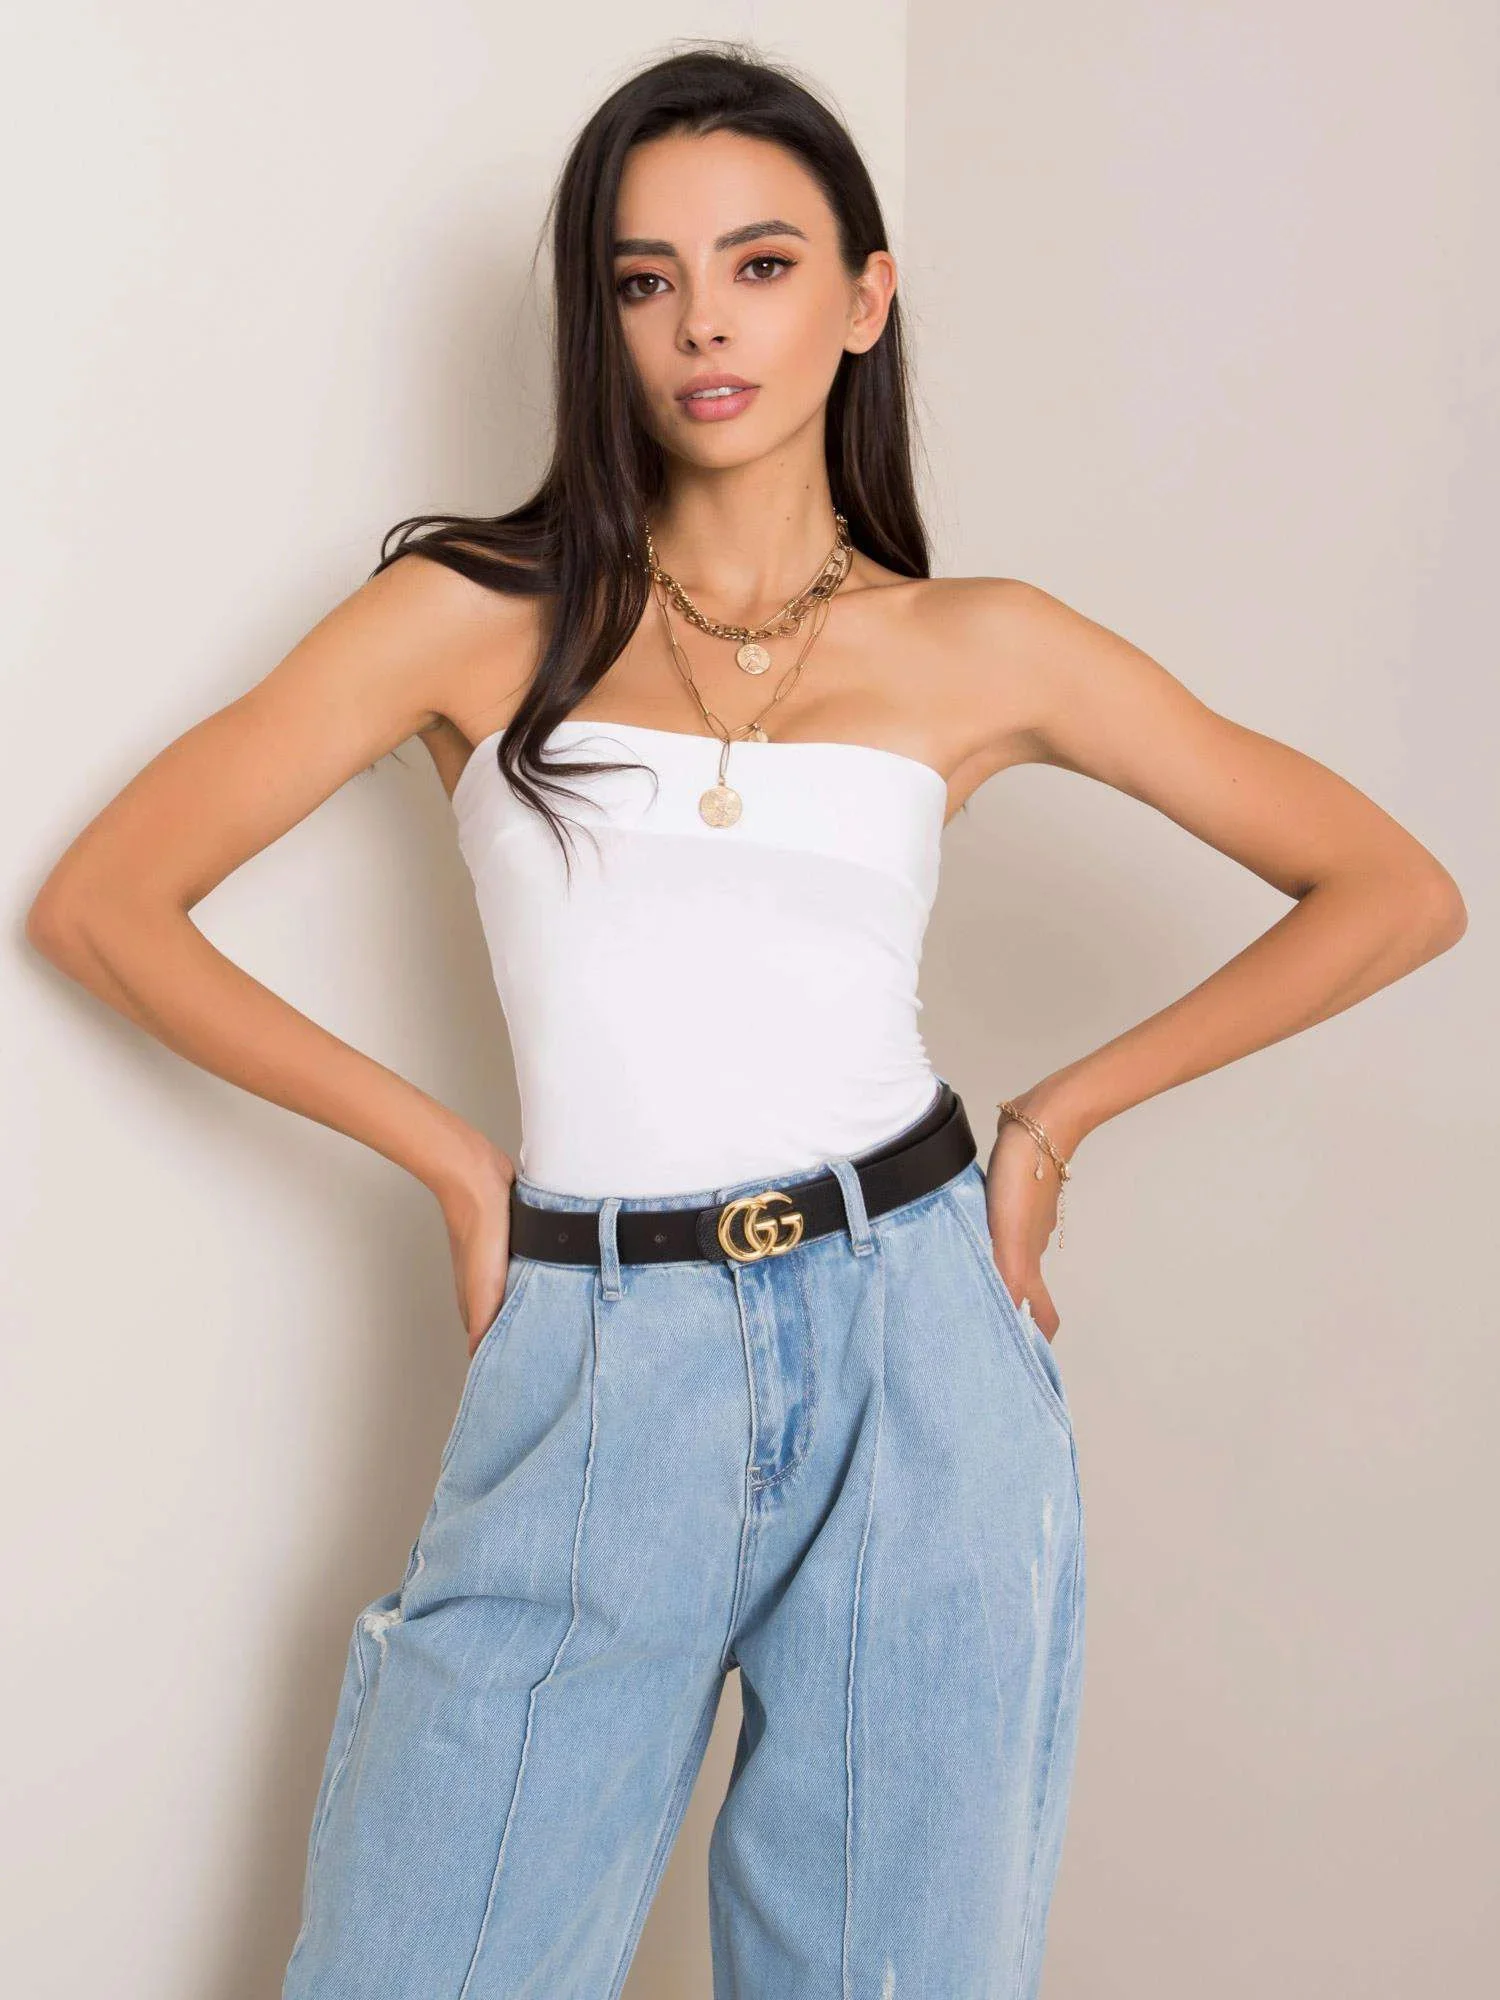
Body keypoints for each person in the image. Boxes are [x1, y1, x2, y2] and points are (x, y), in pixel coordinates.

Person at [25, 40, 1467, 2000]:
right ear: (603, 317)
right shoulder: (470, 615)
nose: (703, 320)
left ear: (866, 299)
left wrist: (1054, 1122)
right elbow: (106, 904)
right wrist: (452, 1163)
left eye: (762, 264)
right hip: (596, 1345)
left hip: (917, 1348)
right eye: (647, 277)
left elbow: (1393, 890)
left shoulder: (979, 645)